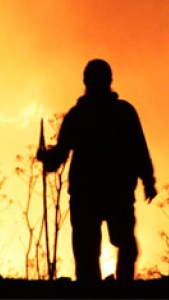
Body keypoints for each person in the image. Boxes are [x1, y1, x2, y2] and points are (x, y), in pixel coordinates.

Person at [37, 58, 158, 283]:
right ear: (110, 81)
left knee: (91, 252)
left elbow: (59, 156)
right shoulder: (121, 112)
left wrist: (46, 158)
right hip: (111, 192)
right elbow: (139, 149)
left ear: (86, 81)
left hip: (95, 193)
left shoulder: (79, 115)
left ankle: (104, 290)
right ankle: (119, 288)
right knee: (108, 248)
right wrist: (148, 181)